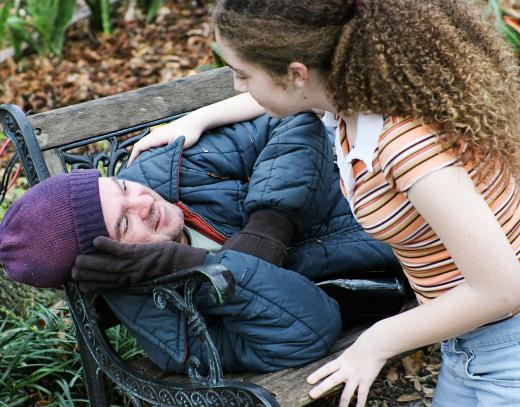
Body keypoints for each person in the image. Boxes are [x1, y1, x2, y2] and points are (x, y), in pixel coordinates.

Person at [159, 0, 518, 406]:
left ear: (298, 73)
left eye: (242, 74)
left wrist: (377, 342)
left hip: (506, 348)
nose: (238, 86)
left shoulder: (406, 147)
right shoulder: (354, 105)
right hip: (471, 343)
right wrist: (194, 121)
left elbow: (503, 289)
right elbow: (279, 98)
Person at [0, 112, 403, 374]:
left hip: (392, 177)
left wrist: (269, 224)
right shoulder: (162, 322)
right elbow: (309, 333)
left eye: (122, 187)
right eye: (124, 224)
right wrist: (196, 268)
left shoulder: (169, 167)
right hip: (408, 257)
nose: (144, 202)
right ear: (110, 261)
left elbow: (293, 118)